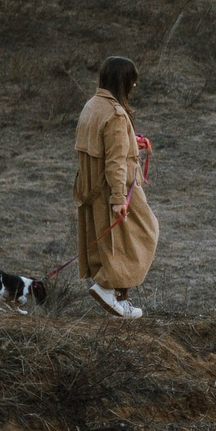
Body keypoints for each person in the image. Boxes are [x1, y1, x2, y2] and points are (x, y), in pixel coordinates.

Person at [74, 55, 158, 318]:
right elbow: (115, 161)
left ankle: (119, 300)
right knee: (146, 233)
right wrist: (119, 199)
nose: (133, 87)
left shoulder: (92, 105)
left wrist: (132, 141)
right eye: (132, 82)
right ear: (124, 82)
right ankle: (106, 286)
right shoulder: (116, 114)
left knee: (117, 241)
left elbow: (106, 143)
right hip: (113, 187)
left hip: (93, 186)